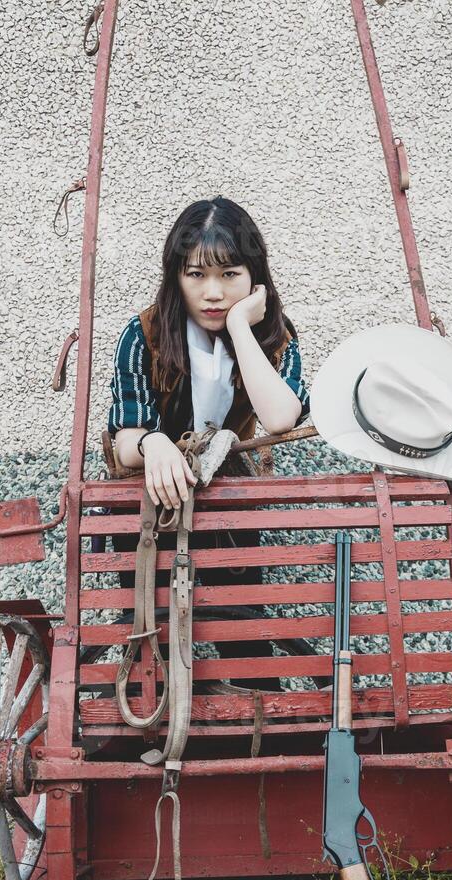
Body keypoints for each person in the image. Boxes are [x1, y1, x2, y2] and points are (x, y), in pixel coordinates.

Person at [107, 195, 310, 691]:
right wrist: (155, 444)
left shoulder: (274, 337)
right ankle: (149, 724)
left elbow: (281, 416)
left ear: (254, 276)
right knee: (148, 636)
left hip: (228, 504)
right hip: (150, 503)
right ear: (176, 276)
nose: (213, 292)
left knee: (243, 632)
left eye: (229, 274)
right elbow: (126, 431)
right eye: (196, 275)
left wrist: (241, 327)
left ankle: (252, 737)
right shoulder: (145, 333)